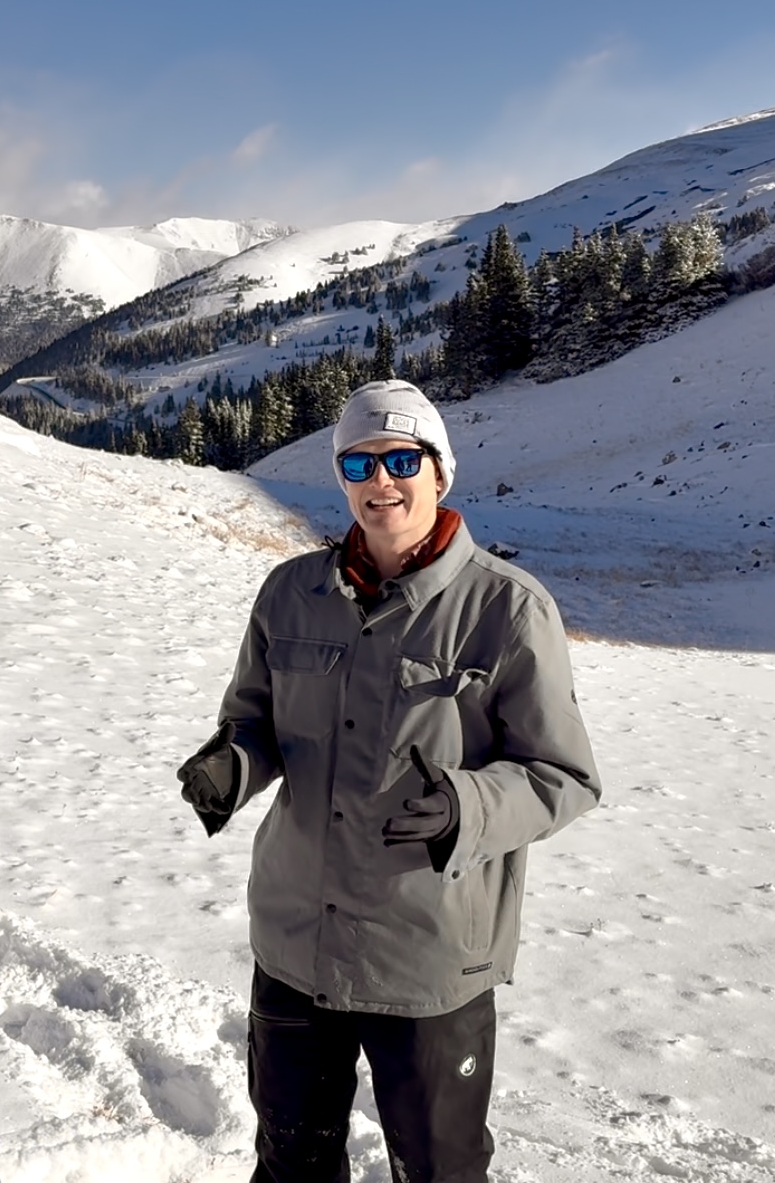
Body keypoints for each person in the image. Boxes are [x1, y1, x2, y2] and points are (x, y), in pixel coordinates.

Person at [178, 379, 600, 1182]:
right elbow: (254, 718)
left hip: (428, 955)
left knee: (439, 1170)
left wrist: (464, 806)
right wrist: (232, 765)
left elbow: (564, 775)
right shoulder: (289, 594)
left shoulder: (506, 610)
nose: (381, 482)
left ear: (439, 473)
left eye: (401, 459)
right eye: (358, 464)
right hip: (296, 940)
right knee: (291, 1163)